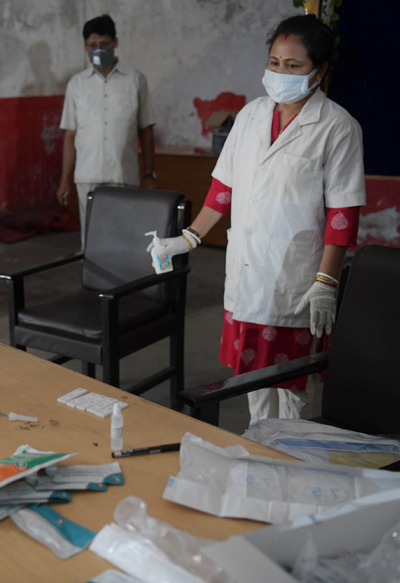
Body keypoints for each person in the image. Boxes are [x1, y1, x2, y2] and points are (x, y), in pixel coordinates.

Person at [150, 15, 365, 424]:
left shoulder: (338, 128)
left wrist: (326, 282)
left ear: (319, 71)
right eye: (274, 62)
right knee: (249, 379)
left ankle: (290, 454)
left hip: (295, 278)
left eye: (293, 65)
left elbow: (342, 213)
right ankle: (258, 443)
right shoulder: (249, 117)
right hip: (248, 272)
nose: (279, 72)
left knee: (291, 386)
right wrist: (188, 238)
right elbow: (223, 189)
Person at [57, 14, 158, 247]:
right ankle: (93, 282)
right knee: (92, 239)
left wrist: (150, 174)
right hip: (87, 176)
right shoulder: (77, 85)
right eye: (92, 45)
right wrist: (64, 179)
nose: (98, 50)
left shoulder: (135, 80)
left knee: (126, 237)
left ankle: (125, 282)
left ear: (115, 43)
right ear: (85, 47)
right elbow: (70, 136)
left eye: (104, 44)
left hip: (124, 174)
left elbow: (146, 130)